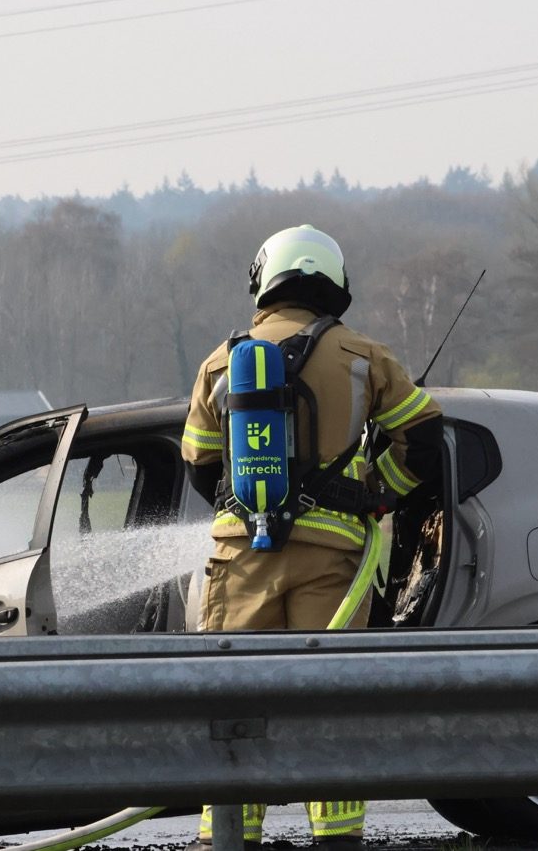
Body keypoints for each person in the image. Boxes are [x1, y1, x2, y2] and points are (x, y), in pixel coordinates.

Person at [181, 224, 443, 851]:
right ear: (334, 283)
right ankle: (336, 838)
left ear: (264, 280)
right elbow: (426, 438)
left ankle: (229, 837)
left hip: (241, 559)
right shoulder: (364, 356)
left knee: (233, 702)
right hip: (333, 562)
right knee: (328, 702)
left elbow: (197, 464)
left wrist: (250, 510)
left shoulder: (223, 360)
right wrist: (375, 491)